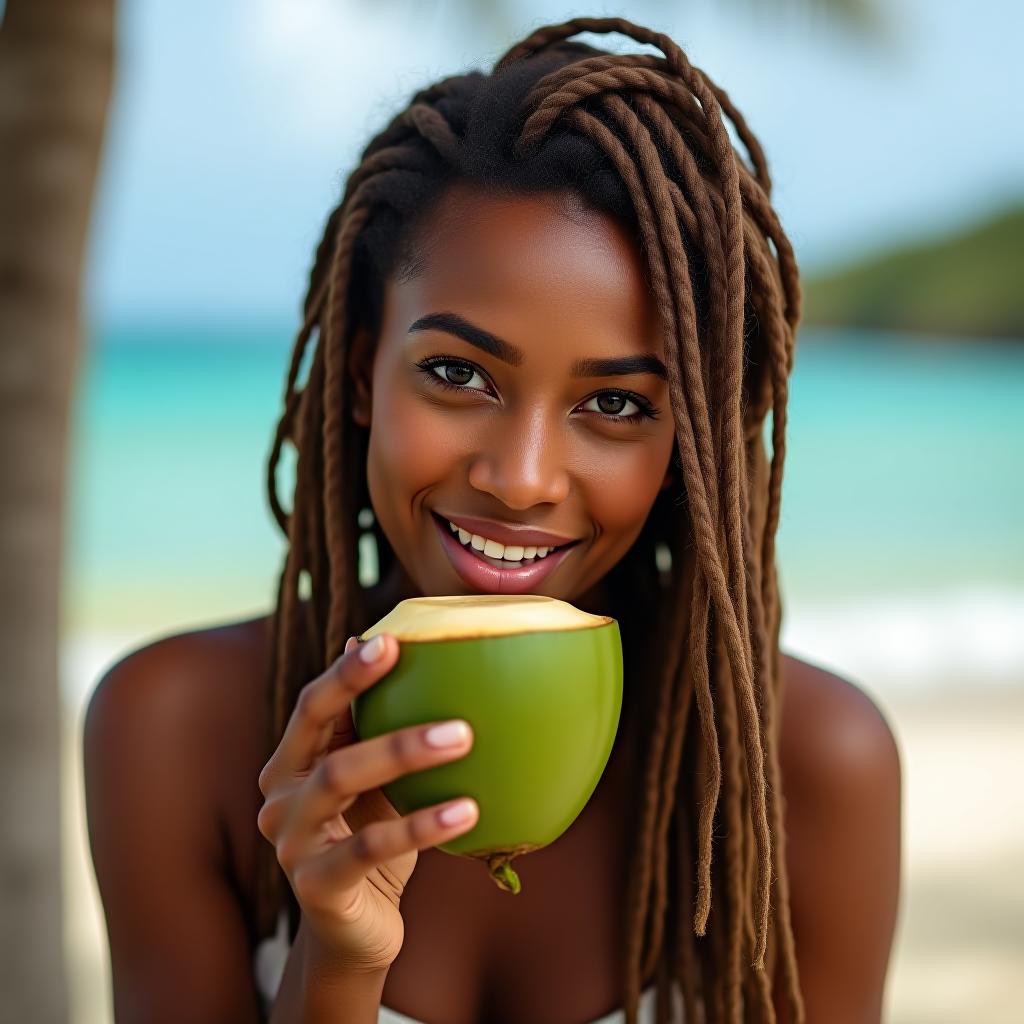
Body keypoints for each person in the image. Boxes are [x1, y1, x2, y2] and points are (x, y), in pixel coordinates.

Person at [83, 16, 902, 1024]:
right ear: (356, 376)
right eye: (457, 374)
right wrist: (337, 958)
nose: (519, 480)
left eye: (614, 405)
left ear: (686, 441)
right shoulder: (178, 729)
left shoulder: (807, 763)